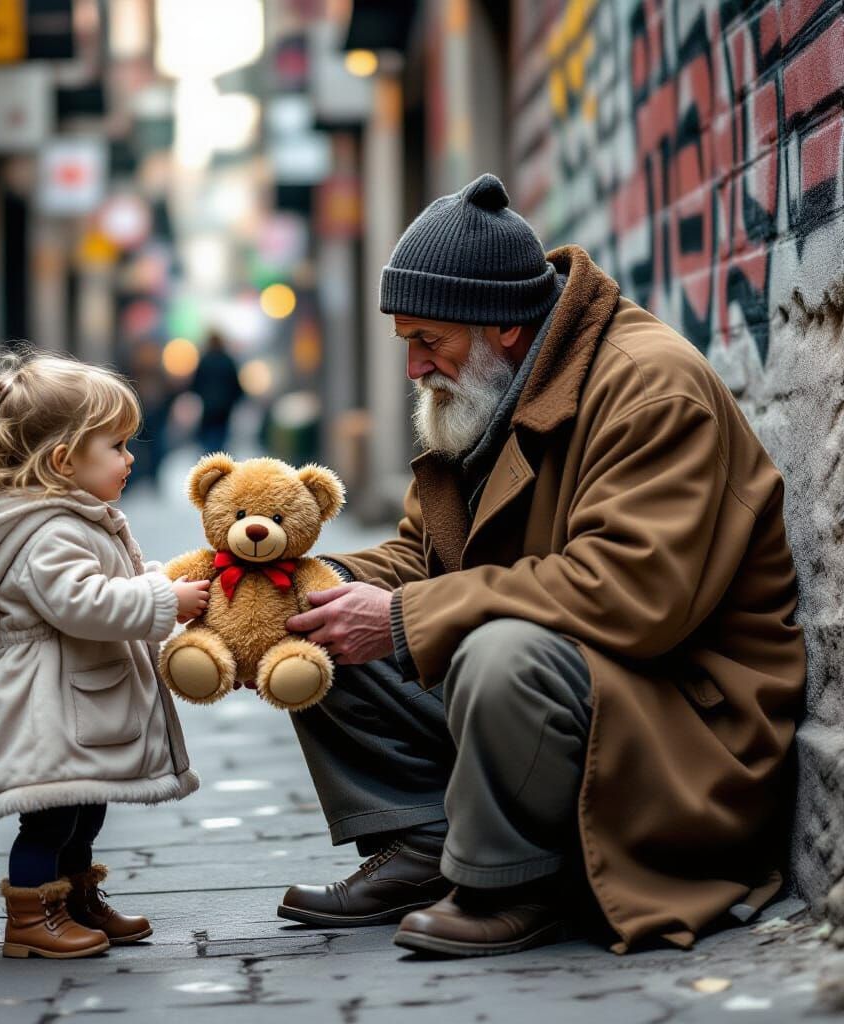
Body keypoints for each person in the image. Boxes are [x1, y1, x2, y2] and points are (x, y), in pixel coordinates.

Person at [279, 173, 806, 957]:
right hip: (588, 684)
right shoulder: (485, 388)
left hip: (688, 724)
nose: (415, 367)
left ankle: (510, 882)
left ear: (506, 326)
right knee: (316, 615)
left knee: (498, 651)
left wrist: (399, 618)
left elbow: (631, 594)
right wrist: (308, 582)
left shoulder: (650, 388)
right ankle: (427, 844)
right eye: (407, 342)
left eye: (430, 341)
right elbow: (422, 556)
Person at [0, 351, 210, 959]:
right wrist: (163, 599)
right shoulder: (50, 530)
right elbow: (81, 603)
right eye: (118, 445)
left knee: (84, 807)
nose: (130, 458)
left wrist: (159, 583)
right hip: (44, 701)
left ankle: (75, 897)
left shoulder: (71, 518)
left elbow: (105, 584)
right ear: (63, 460)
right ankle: (32, 917)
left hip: (73, 697)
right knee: (51, 818)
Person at [191, 331, 243, 453]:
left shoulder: (204, 361)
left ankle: (209, 460)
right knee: (220, 440)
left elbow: (195, 385)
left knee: (207, 441)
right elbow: (236, 387)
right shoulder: (228, 362)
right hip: (224, 410)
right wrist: (233, 401)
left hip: (208, 410)